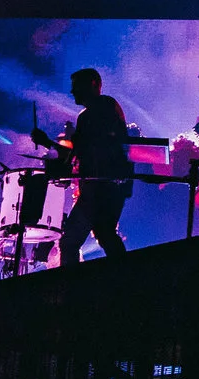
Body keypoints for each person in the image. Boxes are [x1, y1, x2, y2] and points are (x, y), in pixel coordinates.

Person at [46, 67, 134, 263]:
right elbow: (77, 152)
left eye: (76, 86)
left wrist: (52, 144)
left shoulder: (101, 108)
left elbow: (82, 150)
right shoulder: (91, 113)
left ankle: (72, 288)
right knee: (103, 234)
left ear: (93, 84)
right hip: (102, 187)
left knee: (75, 240)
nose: (72, 91)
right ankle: (127, 279)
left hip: (102, 187)